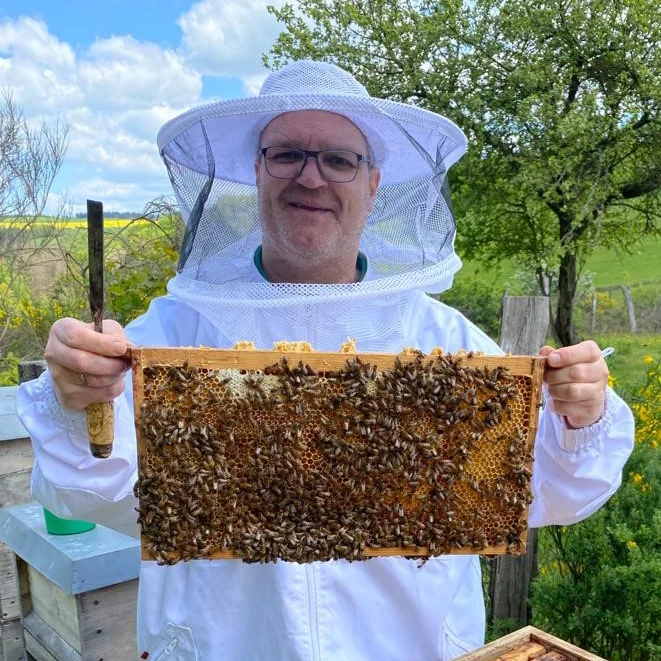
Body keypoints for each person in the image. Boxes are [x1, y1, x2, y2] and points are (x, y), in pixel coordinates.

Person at [17, 60, 634, 660]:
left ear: (373, 182)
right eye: (287, 154)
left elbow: (549, 493)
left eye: (339, 159)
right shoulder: (171, 333)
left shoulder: (448, 340)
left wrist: (579, 418)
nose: (310, 177)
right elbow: (88, 498)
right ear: (256, 171)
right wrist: (79, 402)